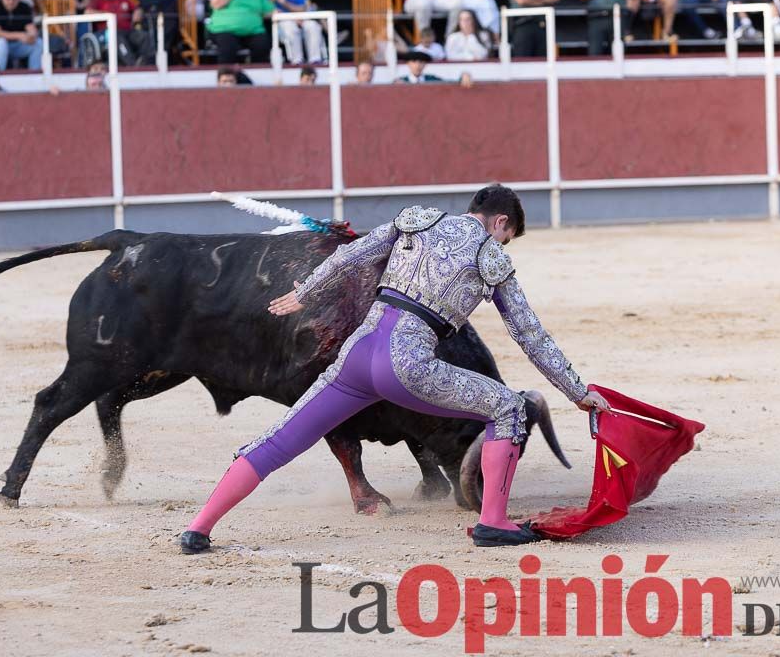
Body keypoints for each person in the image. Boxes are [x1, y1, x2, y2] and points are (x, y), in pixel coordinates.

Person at [176, 184, 610, 554]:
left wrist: (305, 292)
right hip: (409, 363)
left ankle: (199, 528)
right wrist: (575, 390)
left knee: (280, 440)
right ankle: (493, 522)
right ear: (499, 222)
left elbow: (351, 255)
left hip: (358, 353)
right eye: (507, 236)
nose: (503, 245)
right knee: (509, 408)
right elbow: (529, 334)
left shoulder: (416, 222)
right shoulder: (490, 258)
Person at [207, 0, 273, 64]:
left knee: (262, 45)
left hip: (253, 31)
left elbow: (272, 12)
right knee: (228, 46)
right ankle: (227, 75)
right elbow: (216, 4)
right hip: (225, 30)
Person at [262, 0, 324, 64]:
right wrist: (272, 0)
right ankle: (297, 61)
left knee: (313, 26)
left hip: (299, 19)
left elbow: (301, 8)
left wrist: (284, 2)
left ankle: (315, 59)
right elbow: (264, 12)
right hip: (279, 24)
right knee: (291, 28)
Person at [87, 0, 155, 66]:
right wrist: (107, 14)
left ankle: (146, 63)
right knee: (116, 37)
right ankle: (132, 65)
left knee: (144, 36)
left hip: (128, 31)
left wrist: (137, 13)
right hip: (107, 33)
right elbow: (88, 12)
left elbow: (137, 9)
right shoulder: (97, 0)